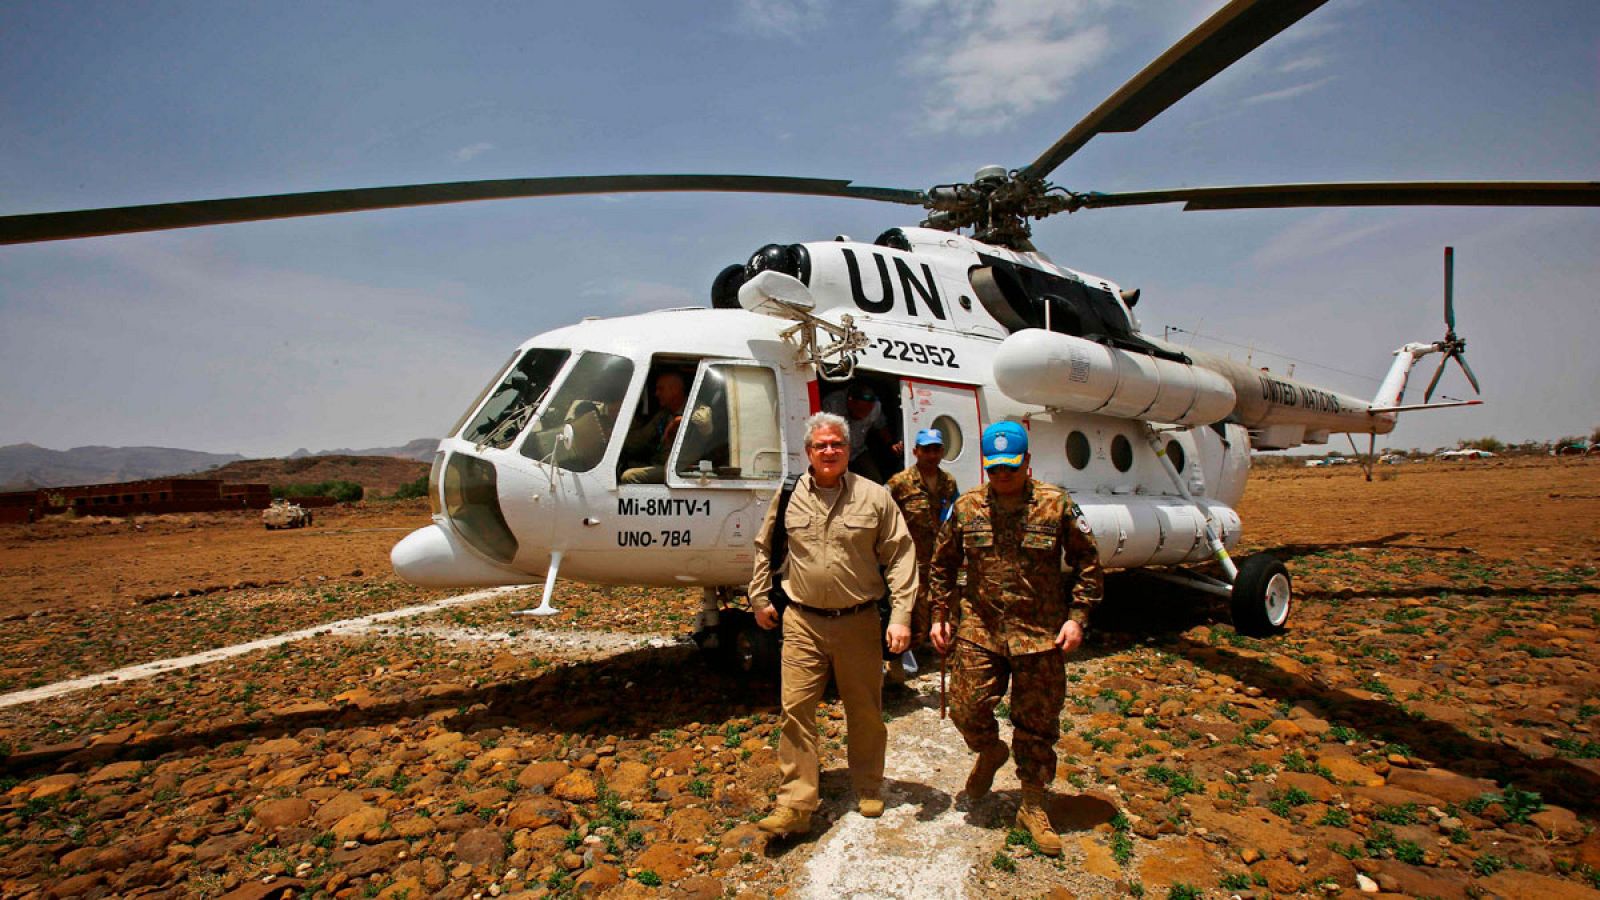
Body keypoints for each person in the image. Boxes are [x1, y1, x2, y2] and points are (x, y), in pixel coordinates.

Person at [928, 421, 1104, 857]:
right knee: (966, 708)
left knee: (1037, 724)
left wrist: (1077, 618)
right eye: (994, 468)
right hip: (980, 629)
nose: (1002, 475)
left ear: (1027, 462)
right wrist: (938, 614)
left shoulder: (1056, 504)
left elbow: (1087, 562)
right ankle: (989, 752)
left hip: (1039, 634)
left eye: (1011, 467)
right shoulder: (966, 507)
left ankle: (1032, 803)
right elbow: (942, 564)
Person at [748, 412, 917, 836]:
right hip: (802, 621)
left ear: (847, 450)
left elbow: (900, 555)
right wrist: (759, 596)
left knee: (864, 711)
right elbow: (765, 546)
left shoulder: (874, 496)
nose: (829, 451)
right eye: (821, 445)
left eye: (837, 444)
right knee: (796, 711)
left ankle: (868, 785)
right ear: (808, 452)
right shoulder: (788, 496)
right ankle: (795, 802)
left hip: (858, 622)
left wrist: (900, 617)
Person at [884, 428, 959, 680]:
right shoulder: (899, 483)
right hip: (911, 560)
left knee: (942, 605)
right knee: (912, 610)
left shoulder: (949, 482)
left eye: (936, 449)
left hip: (941, 559)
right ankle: (904, 661)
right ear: (915, 451)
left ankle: (937, 650)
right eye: (926, 449)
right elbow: (883, 516)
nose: (931, 454)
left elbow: (955, 516)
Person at [620, 371, 692, 484]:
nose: (656, 394)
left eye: (661, 389)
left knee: (630, 476)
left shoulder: (694, 408)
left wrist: (681, 420)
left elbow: (704, 420)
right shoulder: (664, 414)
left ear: (674, 390)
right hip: (660, 463)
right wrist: (615, 439)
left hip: (681, 469)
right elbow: (641, 439)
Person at [822, 383, 903, 482]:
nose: (863, 416)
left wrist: (891, 444)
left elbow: (881, 427)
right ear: (850, 401)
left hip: (858, 451)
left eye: (867, 412)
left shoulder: (876, 408)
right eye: (859, 411)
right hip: (834, 451)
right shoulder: (832, 404)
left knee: (875, 481)